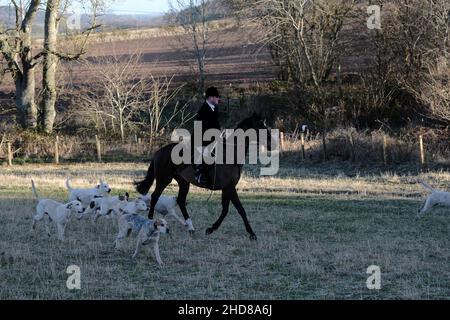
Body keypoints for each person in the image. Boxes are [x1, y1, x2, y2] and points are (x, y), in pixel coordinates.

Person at [194, 86, 221, 185]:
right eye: (217, 97)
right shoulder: (203, 110)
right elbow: (202, 129)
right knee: (205, 152)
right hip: (200, 138)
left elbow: (216, 125)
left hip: (212, 137)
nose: (218, 99)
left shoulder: (214, 108)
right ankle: (199, 174)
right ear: (211, 97)